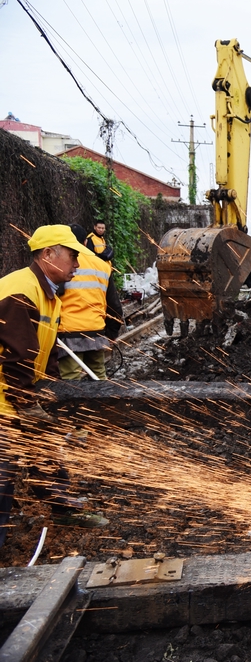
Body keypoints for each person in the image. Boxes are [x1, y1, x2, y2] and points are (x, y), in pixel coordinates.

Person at [0, 225, 110, 546]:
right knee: (4, 472)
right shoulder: (20, 291)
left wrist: (49, 394)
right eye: (73, 256)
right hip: (7, 395)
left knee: (46, 452)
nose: (77, 264)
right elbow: (17, 358)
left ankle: (63, 509)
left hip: (17, 392)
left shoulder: (48, 293)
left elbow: (45, 352)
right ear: (48, 254)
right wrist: (27, 404)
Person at [57, 225, 121, 380]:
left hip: (68, 334)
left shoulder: (62, 264)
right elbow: (114, 304)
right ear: (85, 242)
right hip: (96, 332)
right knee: (99, 377)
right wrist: (111, 334)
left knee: (71, 381)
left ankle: (73, 405)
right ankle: (105, 404)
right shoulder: (102, 265)